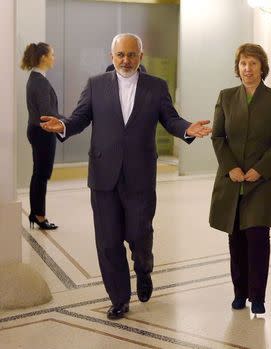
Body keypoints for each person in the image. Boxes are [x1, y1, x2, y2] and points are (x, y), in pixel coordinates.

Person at [40, 33, 212, 320]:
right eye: (120, 55)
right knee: (108, 242)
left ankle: (143, 269)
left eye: (132, 55)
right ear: (112, 57)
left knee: (139, 235)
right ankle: (119, 298)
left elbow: (170, 118)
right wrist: (63, 125)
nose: (126, 60)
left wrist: (186, 128)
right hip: (103, 176)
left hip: (140, 176)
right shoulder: (95, 85)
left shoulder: (156, 87)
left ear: (140, 57)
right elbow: (80, 117)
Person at [209, 43, 271, 315]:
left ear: (262, 67)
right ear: (238, 67)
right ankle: (239, 292)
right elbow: (218, 137)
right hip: (231, 180)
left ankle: (258, 296)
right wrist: (230, 167)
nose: (248, 69)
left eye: (253, 63)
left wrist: (261, 168)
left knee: (257, 236)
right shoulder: (226, 96)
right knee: (236, 240)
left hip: (262, 181)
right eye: (243, 63)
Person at [21, 42, 60, 230]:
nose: (54, 58)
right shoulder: (40, 81)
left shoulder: (35, 78)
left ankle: (36, 213)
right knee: (41, 174)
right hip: (42, 131)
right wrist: (67, 121)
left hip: (36, 130)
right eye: (52, 54)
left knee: (38, 173)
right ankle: (39, 216)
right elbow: (47, 113)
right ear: (43, 57)